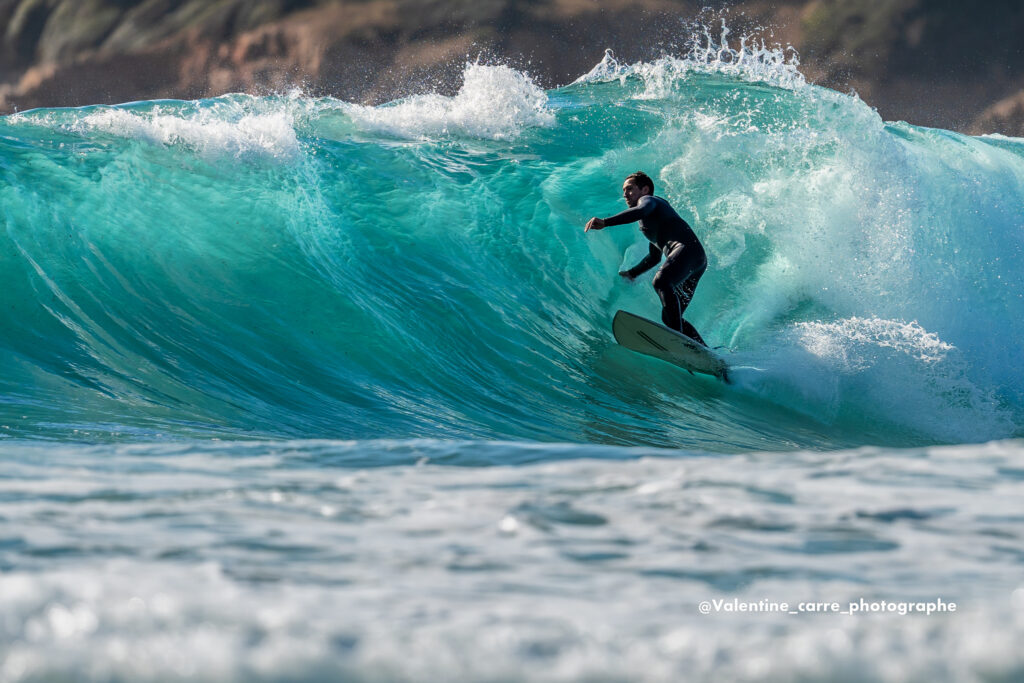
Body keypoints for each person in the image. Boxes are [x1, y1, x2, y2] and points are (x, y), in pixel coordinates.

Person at [585, 171, 709, 346]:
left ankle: (678, 340)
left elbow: (641, 210)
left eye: (629, 189)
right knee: (671, 317)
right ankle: (700, 348)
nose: (625, 194)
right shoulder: (652, 221)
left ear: (645, 189)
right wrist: (632, 273)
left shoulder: (649, 201)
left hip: (686, 252)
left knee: (661, 282)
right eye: (623, 190)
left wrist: (606, 222)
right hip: (697, 261)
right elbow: (654, 257)